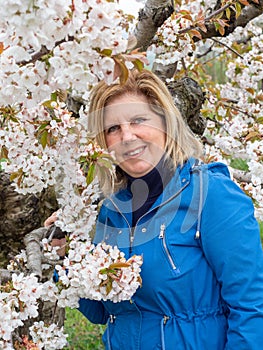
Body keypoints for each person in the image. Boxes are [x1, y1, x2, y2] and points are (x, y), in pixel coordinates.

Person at [45, 69, 263, 349]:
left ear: (164, 122)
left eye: (138, 120)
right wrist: (68, 257)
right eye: (113, 128)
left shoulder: (212, 196)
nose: (127, 136)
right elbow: (104, 311)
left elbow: (252, 307)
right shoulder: (111, 209)